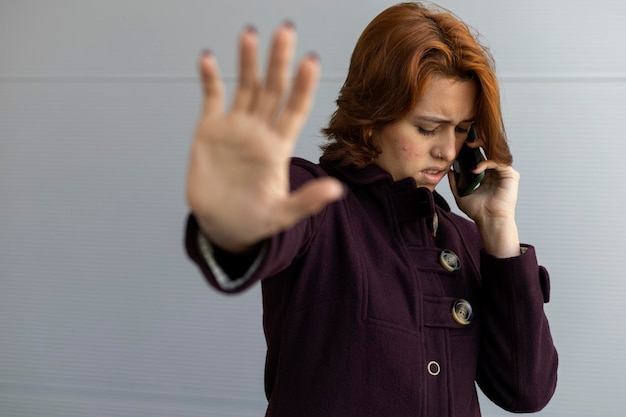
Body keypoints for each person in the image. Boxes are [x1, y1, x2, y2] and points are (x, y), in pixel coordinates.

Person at [184, 2, 558, 416]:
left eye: (463, 130)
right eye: (427, 128)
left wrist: (498, 228)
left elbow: (527, 390)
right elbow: (252, 230)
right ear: (371, 116)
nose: (447, 150)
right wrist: (235, 214)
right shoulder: (315, 200)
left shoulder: (464, 239)